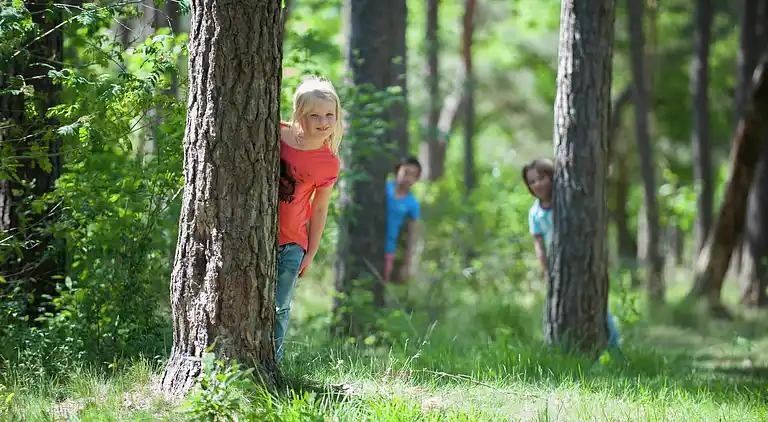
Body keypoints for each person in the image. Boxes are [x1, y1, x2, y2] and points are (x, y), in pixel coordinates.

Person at [522, 158, 622, 352]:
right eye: (532, 182)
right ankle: (563, 351)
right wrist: (547, 270)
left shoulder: (566, 201)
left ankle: (614, 350)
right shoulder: (535, 214)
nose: (537, 184)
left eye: (542, 178)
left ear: (552, 177)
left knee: (596, 306)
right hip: (559, 268)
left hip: (581, 260)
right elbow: (539, 245)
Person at [275, 76, 343, 361]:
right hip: (256, 233)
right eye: (314, 115)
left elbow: (319, 209)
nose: (323, 122)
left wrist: (311, 252)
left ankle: (273, 363)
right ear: (300, 113)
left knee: (279, 307)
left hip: (292, 244)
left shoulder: (328, 162)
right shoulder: (278, 134)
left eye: (329, 115)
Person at [384, 156, 422, 283]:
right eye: (405, 172)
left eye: (413, 175)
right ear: (398, 171)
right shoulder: (384, 188)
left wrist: (406, 264)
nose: (408, 178)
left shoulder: (413, 204)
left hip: (388, 249)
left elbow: (412, 235)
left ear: (416, 179)